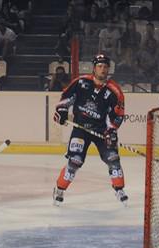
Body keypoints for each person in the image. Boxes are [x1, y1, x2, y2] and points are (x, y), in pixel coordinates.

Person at [52, 54, 128, 206]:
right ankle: (60, 189)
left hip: (102, 131)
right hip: (81, 129)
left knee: (113, 159)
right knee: (75, 161)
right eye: (100, 66)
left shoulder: (115, 91)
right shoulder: (81, 82)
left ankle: (119, 189)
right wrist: (61, 111)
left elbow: (118, 115)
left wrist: (112, 131)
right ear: (94, 68)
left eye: (105, 67)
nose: (103, 69)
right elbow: (66, 98)